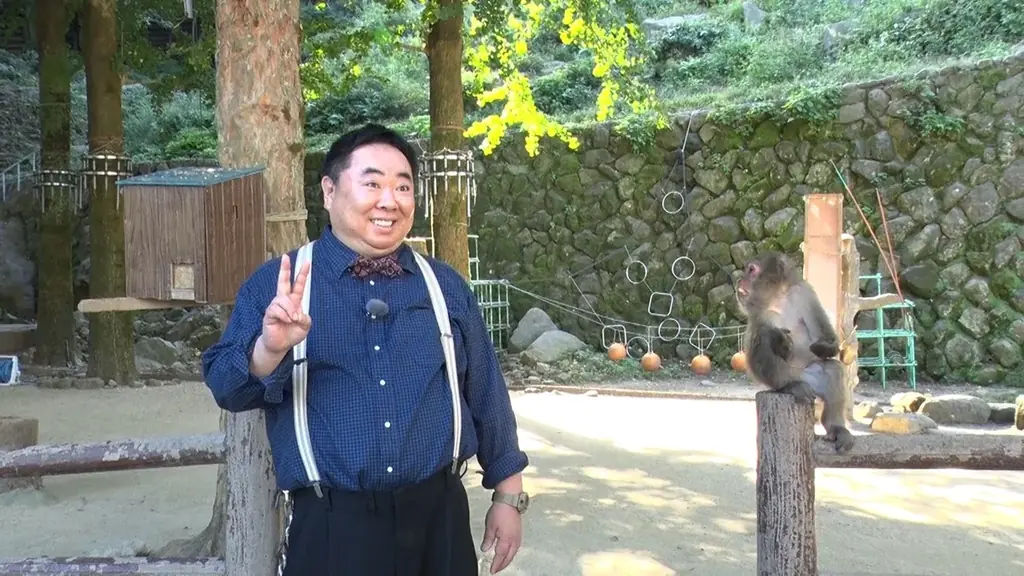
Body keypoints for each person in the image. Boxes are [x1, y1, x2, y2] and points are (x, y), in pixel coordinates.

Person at [201, 123, 530, 576]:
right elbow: (225, 386)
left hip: (439, 522)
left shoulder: (443, 286)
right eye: (372, 184)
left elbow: (487, 393)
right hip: (333, 528)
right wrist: (268, 350)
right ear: (329, 191)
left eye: (403, 187)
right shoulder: (279, 285)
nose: (389, 201)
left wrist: (509, 497)